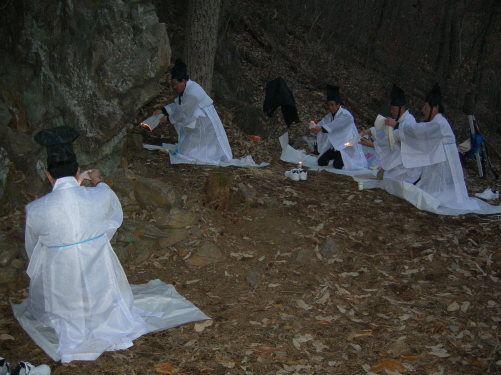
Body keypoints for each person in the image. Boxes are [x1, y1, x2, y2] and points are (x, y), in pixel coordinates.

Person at [11, 126, 210, 363]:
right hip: (98, 270)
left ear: (48, 176)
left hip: (59, 278)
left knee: (57, 276)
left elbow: (33, 247)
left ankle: (69, 314)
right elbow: (113, 218)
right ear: (78, 172)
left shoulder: (34, 210)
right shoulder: (100, 195)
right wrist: (96, 180)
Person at [386, 83, 479, 210]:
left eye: (425, 107)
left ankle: (449, 198)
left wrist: (397, 125)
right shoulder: (434, 123)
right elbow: (421, 137)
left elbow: (418, 130)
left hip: (445, 159)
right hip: (437, 158)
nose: (423, 110)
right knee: (435, 183)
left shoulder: (439, 123)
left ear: (435, 107)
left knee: (446, 185)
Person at [152, 58, 233, 164]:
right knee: (189, 146)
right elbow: (180, 106)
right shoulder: (188, 90)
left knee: (198, 147)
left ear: (183, 81)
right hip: (197, 121)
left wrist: (168, 119)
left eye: (176, 84)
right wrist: (164, 110)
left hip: (204, 122)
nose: (175, 87)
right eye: (173, 84)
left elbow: (183, 113)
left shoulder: (192, 93)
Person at [359, 84, 421, 183]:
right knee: (385, 176)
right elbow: (386, 132)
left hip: (406, 165)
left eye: (393, 109)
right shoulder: (398, 120)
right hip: (396, 160)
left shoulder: (409, 122)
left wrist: (371, 144)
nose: (391, 111)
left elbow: (391, 139)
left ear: (402, 109)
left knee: (389, 180)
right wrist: (370, 130)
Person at [309, 85, 367, 170]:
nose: (330, 107)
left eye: (332, 105)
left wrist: (321, 128)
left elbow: (336, 125)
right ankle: (336, 155)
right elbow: (322, 124)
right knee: (321, 162)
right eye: (329, 105)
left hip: (346, 146)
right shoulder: (329, 116)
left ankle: (339, 157)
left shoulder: (346, 115)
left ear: (338, 105)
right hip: (335, 147)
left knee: (338, 165)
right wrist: (315, 129)